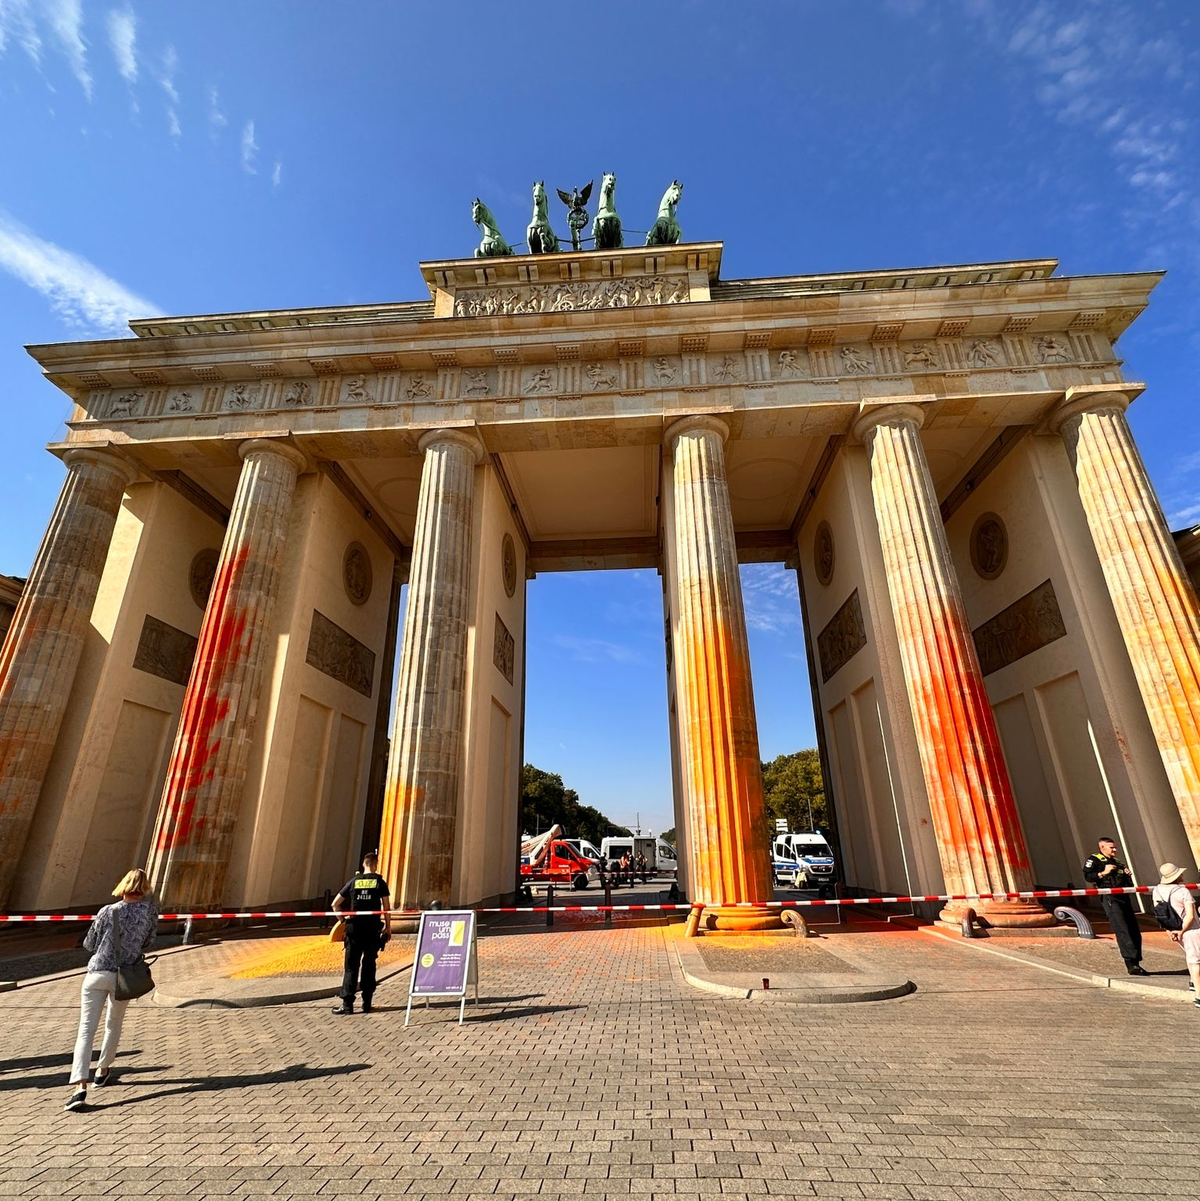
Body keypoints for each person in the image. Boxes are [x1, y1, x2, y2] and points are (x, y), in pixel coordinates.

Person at [65, 868, 158, 1112]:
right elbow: (149, 941)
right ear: (145, 886)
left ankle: (79, 1086)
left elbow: (89, 943)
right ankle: (103, 1070)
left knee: (86, 1029)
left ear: (123, 885)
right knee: (113, 1023)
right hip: (124, 976)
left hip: (97, 973)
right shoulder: (150, 911)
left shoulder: (108, 911)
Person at [332, 851, 391, 1016]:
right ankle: (367, 1002)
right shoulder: (380, 882)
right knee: (369, 964)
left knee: (351, 966)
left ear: (363, 864)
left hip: (354, 929)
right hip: (372, 928)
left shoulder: (353, 882)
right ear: (375, 864)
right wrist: (388, 927)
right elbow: (386, 907)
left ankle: (347, 1004)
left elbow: (335, 904)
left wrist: (343, 921)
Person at [1083, 837, 1147, 975]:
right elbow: (1088, 876)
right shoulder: (1095, 860)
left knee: (1133, 928)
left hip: (1124, 897)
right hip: (1110, 898)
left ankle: (1136, 960)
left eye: (1115, 847)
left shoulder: (1118, 862)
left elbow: (1126, 882)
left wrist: (1127, 875)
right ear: (1102, 848)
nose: (1115, 850)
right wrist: (1103, 873)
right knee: (1122, 928)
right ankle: (1131, 963)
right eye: (1111, 847)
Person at [1152, 863, 1200, 1004]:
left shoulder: (1157, 891)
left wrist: (1172, 931)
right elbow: (1190, 916)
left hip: (1173, 929)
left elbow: (1160, 913)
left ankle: (1193, 983)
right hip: (1191, 930)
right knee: (1196, 961)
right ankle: (1198, 994)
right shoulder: (1182, 891)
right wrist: (1182, 930)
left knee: (1191, 956)